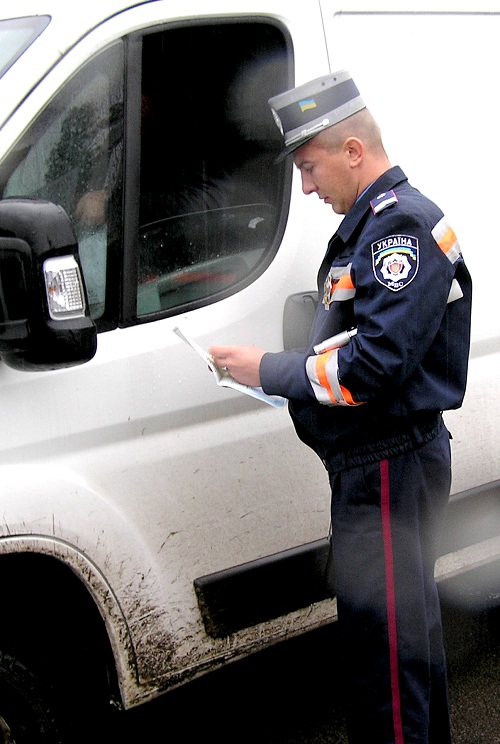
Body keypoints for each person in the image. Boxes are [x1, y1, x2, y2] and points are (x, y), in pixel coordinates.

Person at [209, 70, 472, 744]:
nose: (306, 186)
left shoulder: (399, 229)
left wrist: (267, 369)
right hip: (381, 463)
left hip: (387, 464)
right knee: (402, 641)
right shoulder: (379, 225)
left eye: (309, 166)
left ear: (353, 151)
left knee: (386, 652)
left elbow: (375, 367)